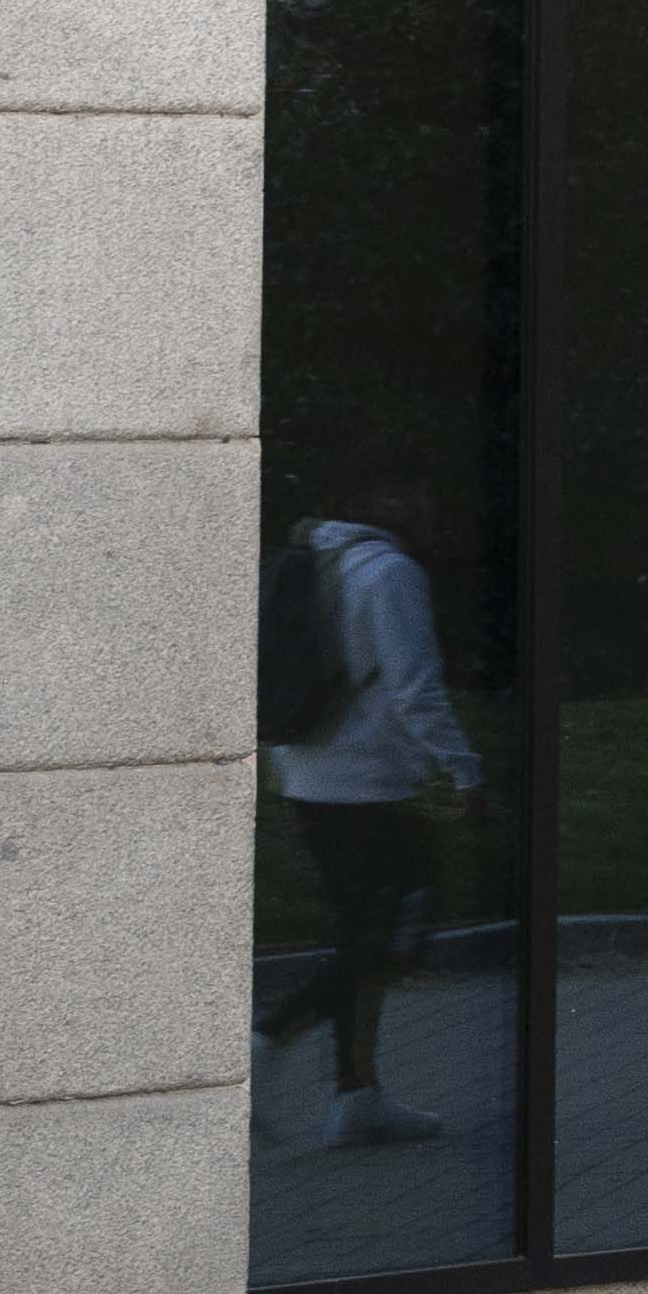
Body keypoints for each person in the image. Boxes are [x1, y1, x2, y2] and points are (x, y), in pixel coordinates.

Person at [254, 476, 482, 1146]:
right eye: (416, 495)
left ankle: (357, 1096)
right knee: (393, 933)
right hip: (371, 787)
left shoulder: (309, 561)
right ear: (386, 504)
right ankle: (269, 1038)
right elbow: (415, 689)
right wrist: (465, 771)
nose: (427, 507)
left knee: (361, 934)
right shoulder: (390, 572)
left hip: (304, 775)